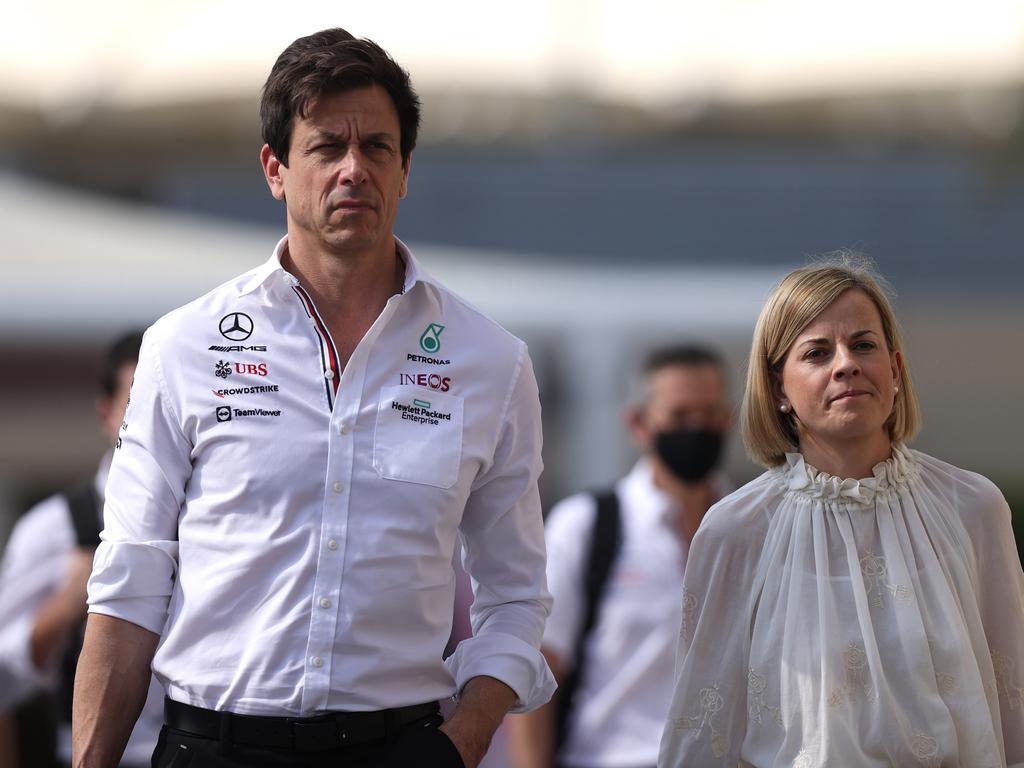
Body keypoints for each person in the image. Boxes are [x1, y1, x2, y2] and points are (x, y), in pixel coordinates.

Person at [72, 28, 554, 768]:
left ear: (404, 171)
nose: (353, 170)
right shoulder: (184, 345)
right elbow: (128, 586)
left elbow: (517, 596)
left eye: (378, 148)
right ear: (276, 169)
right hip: (212, 745)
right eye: (327, 147)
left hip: (401, 746)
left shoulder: (490, 361)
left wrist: (463, 739)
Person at [659, 258, 1024, 766]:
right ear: (778, 388)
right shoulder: (737, 530)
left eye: (864, 345)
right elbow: (703, 728)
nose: (846, 363)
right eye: (816, 352)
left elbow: (1013, 699)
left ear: (895, 369)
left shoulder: (972, 508)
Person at [508, 345, 732, 768]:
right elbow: (535, 677)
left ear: (729, 419)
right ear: (638, 423)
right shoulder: (587, 526)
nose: (698, 428)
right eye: (681, 416)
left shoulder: (752, 527)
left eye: (710, 415)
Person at [0, 332, 163, 768]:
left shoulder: (218, 517)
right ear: (106, 413)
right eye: (137, 405)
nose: (156, 421)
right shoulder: (55, 527)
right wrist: (66, 606)